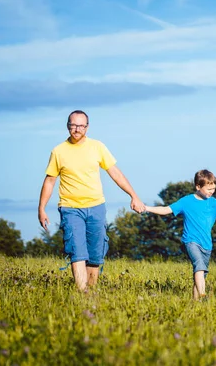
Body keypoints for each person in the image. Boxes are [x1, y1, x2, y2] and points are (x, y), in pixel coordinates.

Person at [38, 110, 144, 292]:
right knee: (77, 251)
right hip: (70, 208)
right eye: (73, 125)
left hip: (96, 207)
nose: (77, 129)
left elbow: (115, 173)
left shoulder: (97, 147)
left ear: (87, 127)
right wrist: (42, 208)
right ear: (67, 126)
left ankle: (91, 292)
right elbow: (49, 180)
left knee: (96, 254)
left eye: (81, 125)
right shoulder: (58, 151)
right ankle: (82, 292)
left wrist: (133, 195)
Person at [141, 169, 216, 300]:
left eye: (213, 189)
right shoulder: (186, 201)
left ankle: (195, 303)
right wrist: (146, 208)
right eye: (209, 189)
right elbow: (166, 209)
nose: (212, 192)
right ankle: (203, 296)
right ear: (198, 186)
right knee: (199, 265)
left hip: (207, 245)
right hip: (191, 241)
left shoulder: (214, 203)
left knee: (200, 274)